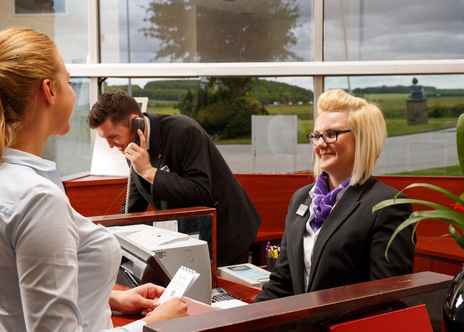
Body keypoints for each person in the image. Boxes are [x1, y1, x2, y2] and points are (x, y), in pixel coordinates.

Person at [0, 27, 187, 332]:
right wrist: (150, 326)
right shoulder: (37, 199)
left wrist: (109, 298)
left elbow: (16, 290)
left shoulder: (13, 181)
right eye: (68, 80)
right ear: (49, 90)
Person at [256, 89, 415, 301]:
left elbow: (384, 299)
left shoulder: (388, 205)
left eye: (331, 134)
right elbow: (281, 283)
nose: (320, 144)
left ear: (362, 139)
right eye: (316, 135)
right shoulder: (301, 199)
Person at [88, 92, 261, 266]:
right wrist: (117, 237)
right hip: (186, 234)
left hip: (226, 232)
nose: (110, 146)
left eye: (113, 137)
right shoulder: (130, 145)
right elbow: (135, 202)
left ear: (135, 123)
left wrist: (149, 171)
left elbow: (200, 191)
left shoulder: (184, 131)